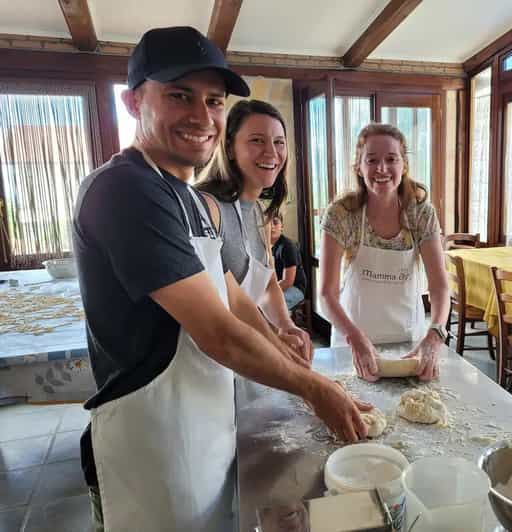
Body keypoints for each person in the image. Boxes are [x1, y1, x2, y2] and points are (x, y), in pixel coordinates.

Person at [73, 26, 369, 532]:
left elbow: (235, 302)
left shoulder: (185, 197)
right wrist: (316, 391)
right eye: (179, 96)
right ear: (132, 102)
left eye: (213, 101)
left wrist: (284, 341)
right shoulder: (125, 189)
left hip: (201, 426)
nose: (201, 116)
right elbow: (217, 331)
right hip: (154, 440)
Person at [319, 123, 450, 382]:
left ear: (404, 166)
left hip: (407, 344)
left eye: (391, 159)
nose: (382, 169)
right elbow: (326, 294)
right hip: (351, 343)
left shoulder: (420, 212)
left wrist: (435, 333)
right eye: (372, 160)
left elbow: (439, 286)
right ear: (359, 166)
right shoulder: (342, 214)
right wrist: (354, 338)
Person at [196, 99, 311, 359]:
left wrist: (287, 326)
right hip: (211, 359)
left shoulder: (258, 211)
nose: (271, 152)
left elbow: (268, 285)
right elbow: (225, 303)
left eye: (279, 142)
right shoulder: (207, 208)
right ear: (230, 149)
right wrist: (274, 342)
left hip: (248, 355)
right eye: (257, 140)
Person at [270, 213, 307, 310]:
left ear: (281, 226)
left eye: (275, 223)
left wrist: (268, 292)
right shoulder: (265, 246)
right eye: (268, 223)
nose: (271, 226)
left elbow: (288, 281)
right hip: (278, 287)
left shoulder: (287, 246)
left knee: (272, 306)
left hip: (295, 288)